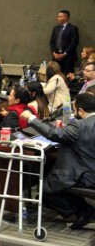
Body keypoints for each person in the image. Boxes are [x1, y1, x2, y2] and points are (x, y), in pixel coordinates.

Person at [19, 93, 95, 229]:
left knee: (45, 188)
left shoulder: (80, 126)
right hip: (89, 168)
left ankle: (79, 213)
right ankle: (85, 210)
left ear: (81, 111)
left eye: (74, 109)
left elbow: (53, 134)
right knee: (52, 173)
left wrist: (31, 118)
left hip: (87, 174)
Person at [49, 9, 80, 75]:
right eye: (58, 16)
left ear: (65, 17)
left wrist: (64, 53)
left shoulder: (73, 28)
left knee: (67, 76)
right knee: (55, 75)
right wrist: (53, 53)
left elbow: (74, 43)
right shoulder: (56, 28)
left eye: (60, 17)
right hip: (56, 57)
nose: (57, 18)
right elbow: (52, 42)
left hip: (68, 58)